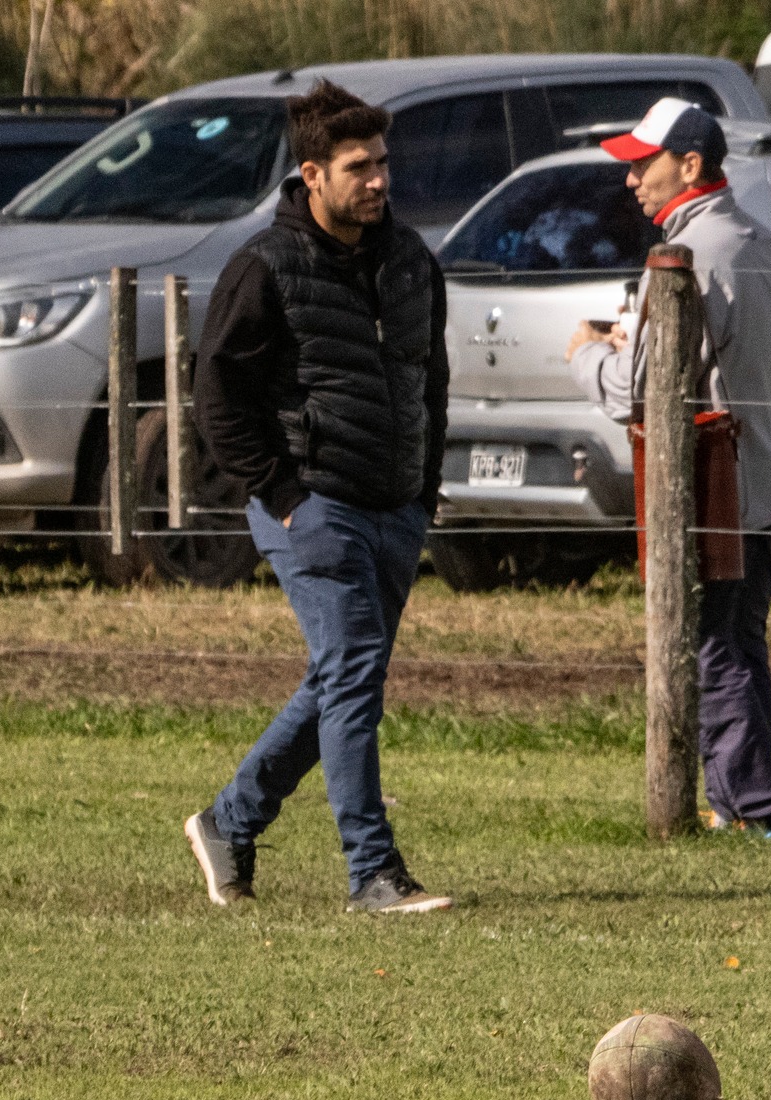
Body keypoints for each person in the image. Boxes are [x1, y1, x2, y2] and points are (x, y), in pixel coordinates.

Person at [183, 80, 454, 915]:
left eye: (382, 163)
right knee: (354, 669)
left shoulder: (411, 260)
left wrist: (424, 494)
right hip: (313, 505)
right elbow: (217, 393)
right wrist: (284, 493)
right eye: (358, 167)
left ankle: (230, 822)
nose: (378, 180)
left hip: (395, 507)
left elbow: (430, 381)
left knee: (346, 676)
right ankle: (373, 872)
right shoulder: (264, 267)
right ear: (312, 174)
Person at [566, 98, 771, 839]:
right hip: (766, 476)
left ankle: (766, 813)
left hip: (714, 486)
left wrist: (587, 355)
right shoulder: (759, 240)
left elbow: (641, 392)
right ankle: (739, 807)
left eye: (644, 163)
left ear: (690, 165)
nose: (633, 179)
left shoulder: (688, 255)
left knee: (712, 648)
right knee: (741, 644)